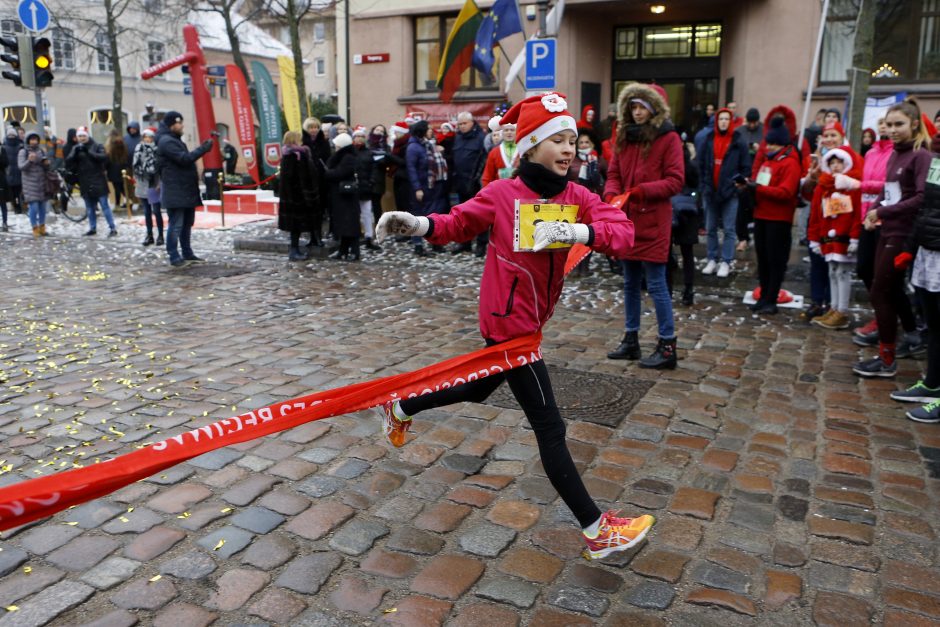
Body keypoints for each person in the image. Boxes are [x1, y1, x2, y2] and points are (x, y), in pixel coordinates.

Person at [373, 91, 654, 560]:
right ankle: (596, 529)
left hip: (530, 324)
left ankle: (400, 407)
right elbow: (459, 222)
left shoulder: (577, 196)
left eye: (573, 141)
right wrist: (418, 226)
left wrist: (579, 232)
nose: (570, 150)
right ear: (530, 146)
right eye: (558, 140)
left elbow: (623, 234)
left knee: (480, 388)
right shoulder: (504, 193)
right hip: (510, 329)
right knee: (551, 427)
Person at [604, 83, 684, 369]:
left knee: (656, 284)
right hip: (627, 221)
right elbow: (613, 173)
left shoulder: (668, 138)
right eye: (633, 107)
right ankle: (631, 339)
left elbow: (675, 180)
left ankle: (667, 345)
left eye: (642, 108)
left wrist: (642, 190)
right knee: (629, 283)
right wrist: (612, 195)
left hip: (653, 222)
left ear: (653, 110)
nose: (637, 113)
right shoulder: (625, 136)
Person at [854, 99, 932, 378]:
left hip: (904, 233)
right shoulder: (895, 154)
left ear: (913, 124)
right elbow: (888, 191)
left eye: (899, 124)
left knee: (879, 291)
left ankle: (887, 359)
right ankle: (908, 337)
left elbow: (921, 198)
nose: (893, 130)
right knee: (889, 289)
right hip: (887, 229)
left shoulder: (921, 155)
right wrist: (875, 210)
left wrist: (884, 211)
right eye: (889, 124)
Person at [890, 131, 940, 422]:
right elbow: (927, 207)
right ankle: (932, 384)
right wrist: (910, 247)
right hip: (928, 251)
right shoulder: (935, 161)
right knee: (935, 325)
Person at [739, 114, 801, 315]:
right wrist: (749, 187)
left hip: (779, 219)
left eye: (773, 144)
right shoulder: (768, 161)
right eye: (769, 144)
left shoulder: (790, 163)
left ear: (782, 144)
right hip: (762, 216)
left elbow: (786, 193)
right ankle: (764, 296)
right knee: (763, 259)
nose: (769, 147)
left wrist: (757, 188)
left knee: (775, 261)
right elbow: (762, 185)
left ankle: (771, 299)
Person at [807, 147, 863, 330]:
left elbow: (857, 214)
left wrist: (855, 237)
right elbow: (815, 214)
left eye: (839, 162)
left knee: (843, 272)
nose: (836, 166)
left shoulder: (852, 186)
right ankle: (834, 308)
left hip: (844, 238)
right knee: (832, 271)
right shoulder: (822, 187)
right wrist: (814, 239)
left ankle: (842, 311)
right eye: (832, 163)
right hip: (827, 238)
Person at [155, 111, 213, 267]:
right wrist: (203, 149)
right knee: (176, 225)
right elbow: (184, 159)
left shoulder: (174, 140)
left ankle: (187, 253)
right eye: (179, 123)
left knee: (187, 223)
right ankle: (174, 256)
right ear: (171, 125)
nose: (182, 126)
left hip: (184, 190)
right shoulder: (167, 141)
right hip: (176, 191)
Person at [854, 118, 893, 347]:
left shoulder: (895, 153)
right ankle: (880, 313)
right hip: (866, 216)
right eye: (882, 122)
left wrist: (860, 185)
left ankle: (884, 319)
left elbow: (888, 185)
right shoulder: (870, 153)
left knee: (882, 274)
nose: (884, 127)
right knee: (864, 267)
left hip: (885, 219)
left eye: (889, 123)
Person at [698, 107, 750, 277]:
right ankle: (712, 258)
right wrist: (705, 185)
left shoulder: (738, 141)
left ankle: (726, 261)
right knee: (710, 228)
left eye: (727, 119)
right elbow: (701, 164)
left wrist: (737, 183)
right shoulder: (708, 139)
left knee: (729, 229)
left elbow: (745, 167)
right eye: (721, 119)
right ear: (716, 121)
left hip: (730, 193)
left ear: (731, 122)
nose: (723, 122)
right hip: (710, 191)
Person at [566, 127, 607, 277]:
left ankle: (585, 266)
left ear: (593, 144)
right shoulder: (571, 158)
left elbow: (607, 179)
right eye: (580, 142)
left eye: (586, 142)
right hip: (573, 202)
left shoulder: (599, 160)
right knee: (574, 235)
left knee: (588, 234)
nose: (583, 144)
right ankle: (575, 265)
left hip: (592, 201)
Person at [66, 127, 117, 237]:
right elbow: (68, 162)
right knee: (89, 208)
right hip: (85, 181)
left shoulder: (97, 146)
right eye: (80, 136)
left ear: (87, 136)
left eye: (83, 136)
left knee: (105, 206)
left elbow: (103, 157)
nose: (82, 138)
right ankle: (92, 228)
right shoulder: (76, 148)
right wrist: (74, 153)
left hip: (98, 181)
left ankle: (112, 228)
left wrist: (89, 153)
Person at [278, 130, 320, 261]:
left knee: (298, 224)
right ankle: (294, 250)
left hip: (299, 195)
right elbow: (291, 178)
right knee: (295, 225)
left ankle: (299, 247)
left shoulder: (299, 153)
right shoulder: (293, 155)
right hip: (296, 196)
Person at [451, 112, 487, 254]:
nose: (462, 126)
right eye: (459, 124)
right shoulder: (458, 137)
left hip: (475, 183)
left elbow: (483, 161)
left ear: (472, 122)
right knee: (463, 215)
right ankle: (464, 243)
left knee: (479, 215)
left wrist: (477, 180)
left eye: (464, 123)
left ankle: (481, 243)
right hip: (460, 182)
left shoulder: (480, 138)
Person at [324, 132, 362, 261]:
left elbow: (340, 173)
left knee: (350, 225)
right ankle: (343, 250)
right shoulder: (344, 156)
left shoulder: (348, 157)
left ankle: (355, 251)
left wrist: (327, 173)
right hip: (342, 196)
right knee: (344, 225)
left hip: (346, 196)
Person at [671, 140, 701, 305]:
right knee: (687, 253)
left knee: (666, 252)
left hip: (673, 210)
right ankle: (688, 290)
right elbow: (697, 185)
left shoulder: (670, 167)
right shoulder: (690, 166)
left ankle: (668, 288)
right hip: (687, 211)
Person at [302, 117, 331, 247]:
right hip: (307, 180)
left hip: (320, 180)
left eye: (316, 127)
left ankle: (318, 236)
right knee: (308, 210)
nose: (313, 130)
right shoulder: (303, 142)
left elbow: (327, 160)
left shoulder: (323, 142)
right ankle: (311, 237)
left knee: (319, 210)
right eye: (311, 127)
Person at [133, 127, 164, 246]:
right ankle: (149, 235)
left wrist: (159, 183)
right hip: (142, 182)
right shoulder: (138, 149)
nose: (148, 139)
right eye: (145, 137)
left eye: (150, 137)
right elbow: (135, 166)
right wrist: (136, 179)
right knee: (146, 211)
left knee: (156, 211)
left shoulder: (157, 150)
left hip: (153, 183)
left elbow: (160, 168)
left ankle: (160, 235)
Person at [352, 127, 380, 251]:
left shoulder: (369, 153)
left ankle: (369, 237)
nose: (359, 138)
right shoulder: (350, 152)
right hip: (353, 187)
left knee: (367, 213)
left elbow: (374, 169)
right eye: (357, 136)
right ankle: (355, 236)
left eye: (361, 136)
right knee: (354, 214)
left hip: (366, 188)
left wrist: (371, 182)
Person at [18, 131, 51, 237]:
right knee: (34, 207)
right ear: (28, 140)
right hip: (29, 184)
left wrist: (46, 164)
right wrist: (30, 161)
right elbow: (21, 167)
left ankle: (42, 227)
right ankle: (34, 227)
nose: (34, 141)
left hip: (41, 183)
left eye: (35, 139)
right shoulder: (23, 152)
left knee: (42, 208)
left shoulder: (41, 151)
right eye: (32, 139)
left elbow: (46, 167)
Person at [480, 118, 517, 188]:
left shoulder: (522, 151)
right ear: (502, 133)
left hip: (519, 192)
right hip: (499, 192)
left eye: (512, 130)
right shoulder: (494, 152)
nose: (509, 132)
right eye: (506, 130)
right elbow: (487, 177)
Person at [105, 130, 129, 211]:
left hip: (113, 170)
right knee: (122, 187)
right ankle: (129, 200)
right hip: (121, 168)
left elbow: (107, 159)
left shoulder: (110, 146)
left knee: (117, 188)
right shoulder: (122, 144)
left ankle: (118, 205)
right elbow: (126, 156)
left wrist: (105, 168)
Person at [3, 128, 23, 215]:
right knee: (12, 193)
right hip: (9, 173)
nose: (11, 137)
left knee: (19, 192)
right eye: (10, 135)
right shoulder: (4, 147)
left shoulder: (20, 145)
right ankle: (16, 206)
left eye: (13, 135)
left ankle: (19, 206)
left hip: (19, 172)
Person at [0, 142, 8, 231]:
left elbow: (6, 163)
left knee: (2, 203)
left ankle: (5, 221)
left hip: (1, 179)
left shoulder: (2, 149)